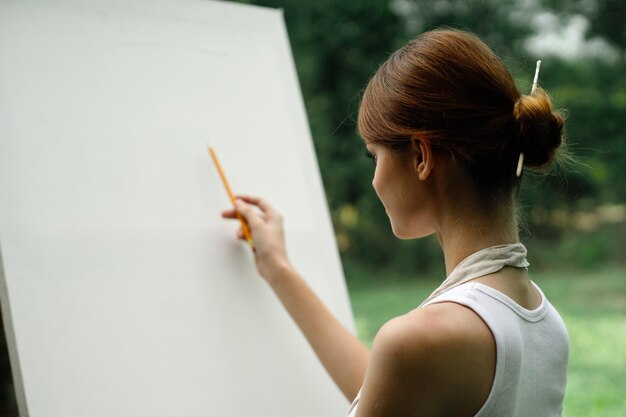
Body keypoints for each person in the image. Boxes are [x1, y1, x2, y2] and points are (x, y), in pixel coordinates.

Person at [222, 29, 569, 417]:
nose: (374, 180)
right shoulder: (546, 325)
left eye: (375, 156)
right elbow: (390, 390)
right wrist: (278, 269)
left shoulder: (423, 340)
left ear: (421, 155)